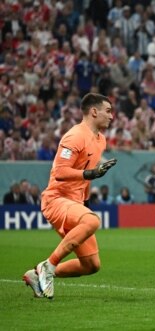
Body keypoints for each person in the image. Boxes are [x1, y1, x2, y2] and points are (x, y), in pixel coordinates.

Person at [23, 93, 117, 299]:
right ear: (94, 111)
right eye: (108, 111)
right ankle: (49, 265)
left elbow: (85, 176)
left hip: (74, 202)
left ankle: (38, 273)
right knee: (93, 221)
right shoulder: (75, 136)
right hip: (56, 199)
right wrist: (90, 173)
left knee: (91, 265)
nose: (112, 116)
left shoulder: (100, 140)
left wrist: (84, 202)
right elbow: (60, 172)